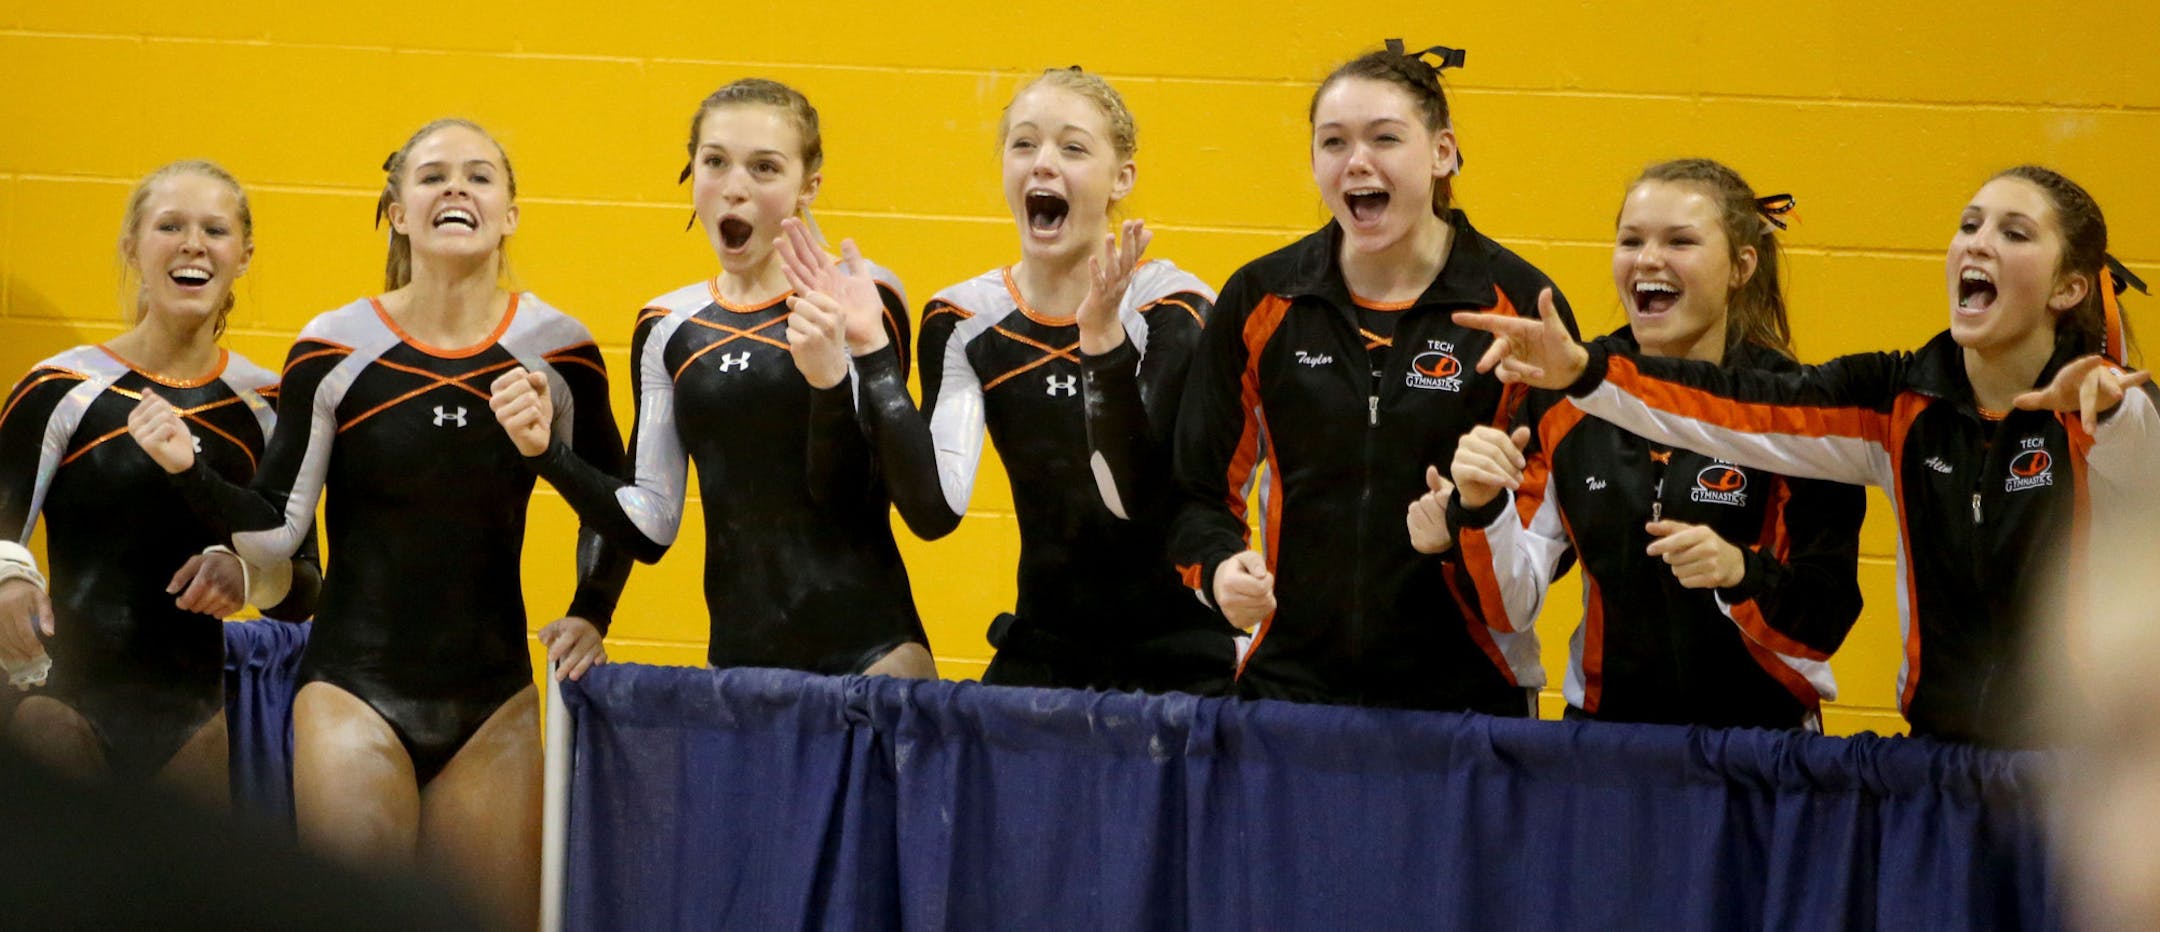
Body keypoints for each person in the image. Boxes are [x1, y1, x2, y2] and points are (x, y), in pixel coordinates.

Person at [1456, 164, 2154, 745]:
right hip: (1937, 765)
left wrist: (2116, 407)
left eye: (2014, 232)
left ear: (2069, 287)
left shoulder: (2113, 411)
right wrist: (1583, 375)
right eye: (1969, 225)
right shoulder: (1894, 399)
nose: (1977, 244)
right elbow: (1732, 410)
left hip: (2077, 775)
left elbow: (2145, 464)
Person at [128, 120, 624, 927]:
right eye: (432, 177)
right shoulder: (334, 346)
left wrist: (593, 610)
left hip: (493, 699)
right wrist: (194, 472)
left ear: (511, 213)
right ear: (398, 212)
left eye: (478, 177)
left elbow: (619, 503)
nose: (455, 189)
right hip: (352, 692)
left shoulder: (560, 351)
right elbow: (278, 536)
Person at [786, 66, 1236, 693]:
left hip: (1183, 652)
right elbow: (934, 511)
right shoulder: (966, 319)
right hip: (1047, 649)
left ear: (1121, 178)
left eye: (1073, 148)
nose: (1042, 164)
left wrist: (1102, 338)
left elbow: (1135, 497)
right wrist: (871, 353)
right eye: (1023, 144)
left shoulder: (1174, 307)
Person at [1168, 41, 1577, 711]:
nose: (1357, 160)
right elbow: (1195, 491)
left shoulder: (1520, 307)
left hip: (1467, 695)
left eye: (1385, 138)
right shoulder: (1262, 300)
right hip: (1287, 688)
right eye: (1333, 142)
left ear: (1442, 152)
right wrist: (1217, 569)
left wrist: (1466, 525)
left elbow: (1551, 534)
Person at [502, 79, 934, 677]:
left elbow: (851, 495)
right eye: (715, 162)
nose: (735, 188)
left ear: (809, 185)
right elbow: (651, 522)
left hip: (874, 658)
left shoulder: (859, 296)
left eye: (764, 168)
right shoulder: (667, 327)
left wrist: (829, 379)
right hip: (737, 670)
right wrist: (546, 456)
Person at [1435, 159, 1864, 728]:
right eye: (1631, 240)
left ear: (1742, 266)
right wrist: (1479, 507)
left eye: (1680, 241)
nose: (1648, 259)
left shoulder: (1794, 411)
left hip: (1761, 749)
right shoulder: (1565, 399)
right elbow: (1509, 607)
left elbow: (1824, 621)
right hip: (1607, 745)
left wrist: (1742, 573)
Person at [0, 160, 318, 802]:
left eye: (215, 230)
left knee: (173, 904)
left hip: (191, 722)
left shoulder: (268, 406)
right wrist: (8, 575)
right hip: (58, 702)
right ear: (132, 247)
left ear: (244, 255)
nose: (193, 243)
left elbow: (302, 588)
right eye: (170, 225)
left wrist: (245, 570)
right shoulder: (61, 388)